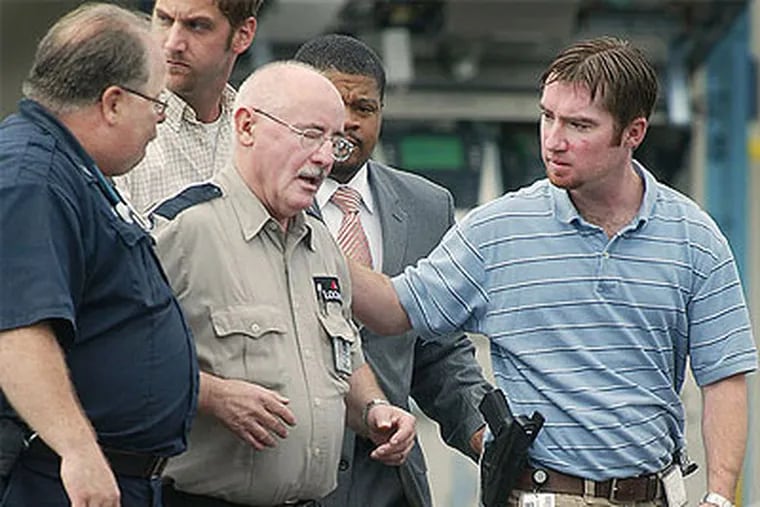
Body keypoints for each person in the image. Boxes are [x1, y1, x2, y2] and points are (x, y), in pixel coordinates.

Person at [347, 36, 758, 507]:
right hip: (538, 496)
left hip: (653, 495)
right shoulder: (497, 231)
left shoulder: (694, 238)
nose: (554, 140)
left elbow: (723, 377)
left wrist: (720, 496)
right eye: (548, 116)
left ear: (634, 133)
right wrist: (310, 246)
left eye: (579, 125)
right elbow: (393, 309)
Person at [152, 61, 416, 507]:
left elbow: (343, 358)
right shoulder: (181, 231)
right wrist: (212, 396)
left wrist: (374, 410)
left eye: (333, 141)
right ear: (247, 126)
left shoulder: (322, 247)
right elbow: (119, 367)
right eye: (310, 135)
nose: (326, 157)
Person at [0, 4, 198, 506]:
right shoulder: (35, 178)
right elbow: (19, 331)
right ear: (112, 102)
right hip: (56, 480)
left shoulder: (71, 170)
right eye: (156, 103)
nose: (158, 123)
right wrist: (78, 451)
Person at [293, 34, 491, 507]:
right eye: (332, 105)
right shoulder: (268, 201)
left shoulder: (426, 205)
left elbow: (438, 352)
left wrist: (487, 433)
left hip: (391, 482)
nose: (347, 124)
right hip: (287, 479)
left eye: (364, 108)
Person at [114, 0, 260, 213]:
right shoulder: (118, 128)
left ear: (243, 35)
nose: (173, 44)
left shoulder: (261, 133)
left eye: (197, 26)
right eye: (164, 20)